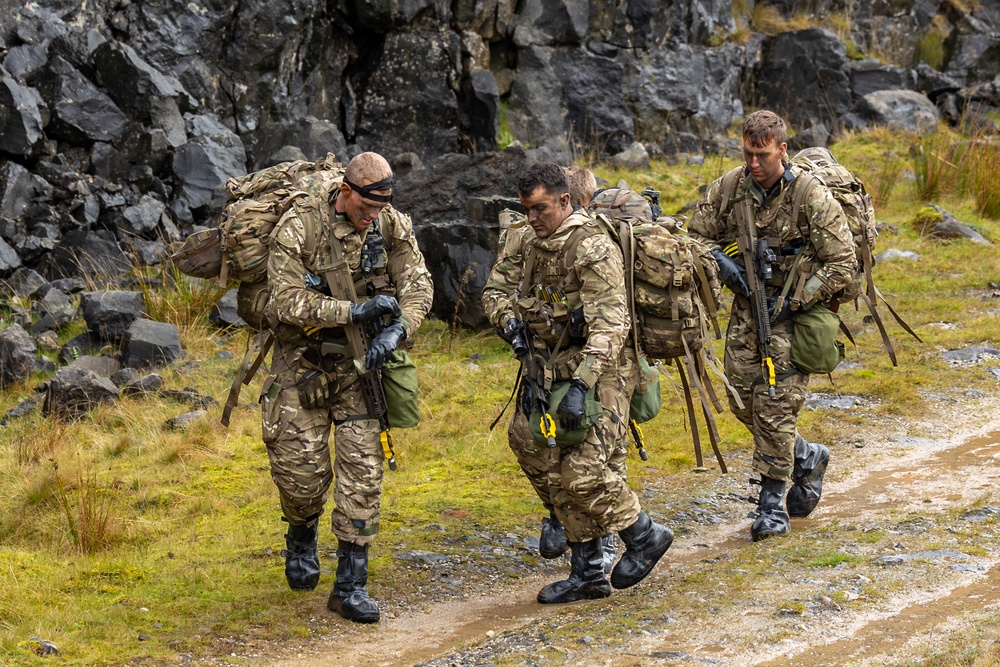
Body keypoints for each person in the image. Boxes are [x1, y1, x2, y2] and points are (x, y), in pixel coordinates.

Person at [483, 161, 673, 604]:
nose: (532, 218)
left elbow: (612, 323)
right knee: (534, 449)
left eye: (541, 209)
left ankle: (644, 534)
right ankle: (587, 570)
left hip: (603, 369)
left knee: (582, 470)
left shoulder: (591, 246)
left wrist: (583, 385)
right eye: (526, 209)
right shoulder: (525, 239)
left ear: (565, 201)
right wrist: (509, 323)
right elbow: (494, 291)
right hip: (546, 366)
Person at [261, 151, 433, 622]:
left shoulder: (390, 224)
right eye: (365, 208)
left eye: (380, 208)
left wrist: (399, 330)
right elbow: (286, 300)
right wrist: (353, 312)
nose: (371, 217)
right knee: (302, 480)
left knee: (363, 476)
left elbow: (419, 284)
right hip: (303, 366)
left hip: (362, 373)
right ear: (345, 192)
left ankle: (350, 585)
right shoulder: (300, 225)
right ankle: (300, 533)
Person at [687, 110, 854, 541]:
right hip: (747, 309)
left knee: (776, 405)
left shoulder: (809, 195)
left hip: (796, 314)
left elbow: (842, 261)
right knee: (744, 400)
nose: (754, 163)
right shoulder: (730, 187)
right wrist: (724, 265)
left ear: (783, 149)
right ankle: (806, 457)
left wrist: (796, 298)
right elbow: (692, 236)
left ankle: (770, 505)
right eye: (747, 153)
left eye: (762, 154)